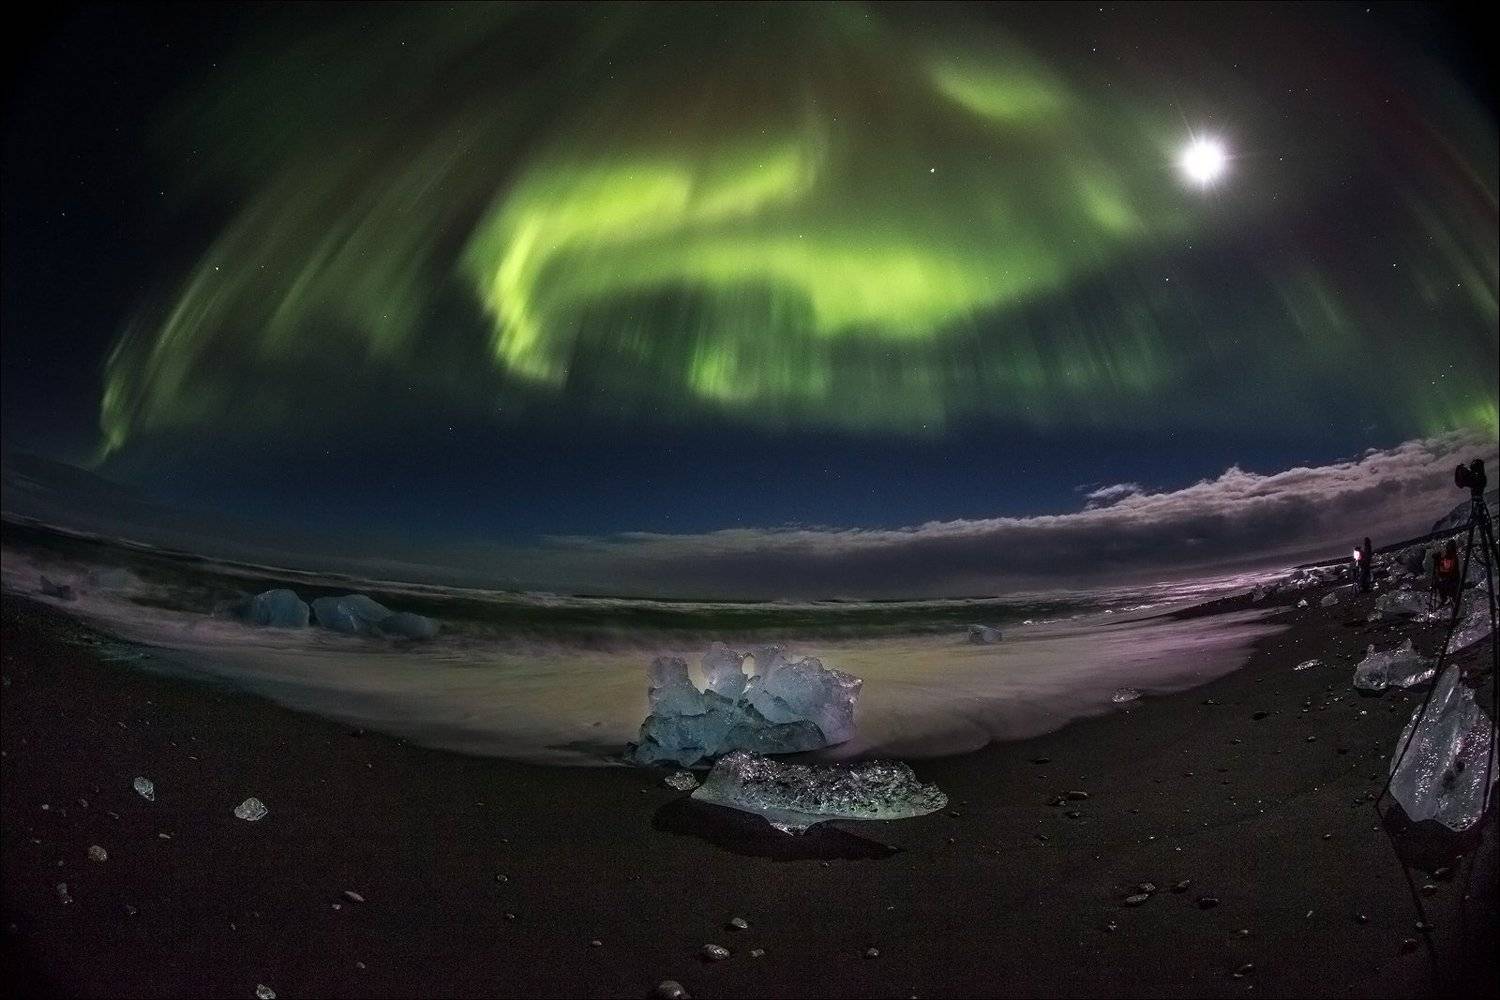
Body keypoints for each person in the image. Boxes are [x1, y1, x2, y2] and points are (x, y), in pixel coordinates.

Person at [1432, 539, 1461, 608]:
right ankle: (1448, 603)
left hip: (1452, 580)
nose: (1447, 548)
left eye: (1448, 546)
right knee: (1441, 585)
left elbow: (1446, 569)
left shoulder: (1452, 556)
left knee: (1444, 588)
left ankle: (1449, 604)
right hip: (1451, 579)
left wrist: (1438, 560)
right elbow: (1444, 567)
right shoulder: (1450, 556)